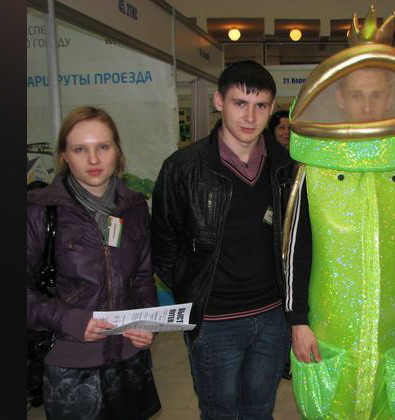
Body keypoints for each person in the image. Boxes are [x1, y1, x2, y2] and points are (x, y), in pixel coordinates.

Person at [285, 9, 395, 415]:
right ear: (340, 98)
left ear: (390, 97)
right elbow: (296, 248)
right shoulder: (314, 167)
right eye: (357, 95)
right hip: (328, 325)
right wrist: (297, 320)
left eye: (376, 95)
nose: (368, 105)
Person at [152, 60, 294, 419]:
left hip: (272, 318)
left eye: (260, 105)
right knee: (220, 413)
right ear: (218, 102)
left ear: (272, 109)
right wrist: (194, 293)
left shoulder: (286, 167)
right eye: (239, 103)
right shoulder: (183, 168)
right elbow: (164, 247)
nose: (250, 116)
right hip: (214, 322)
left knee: (260, 410)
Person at [27, 106, 161, 419]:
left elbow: (143, 276)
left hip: (129, 358)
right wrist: (70, 320)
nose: (93, 159)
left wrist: (147, 323)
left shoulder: (134, 207)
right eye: (80, 149)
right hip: (71, 362)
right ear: (64, 156)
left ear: (118, 151)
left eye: (103, 146)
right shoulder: (39, 211)